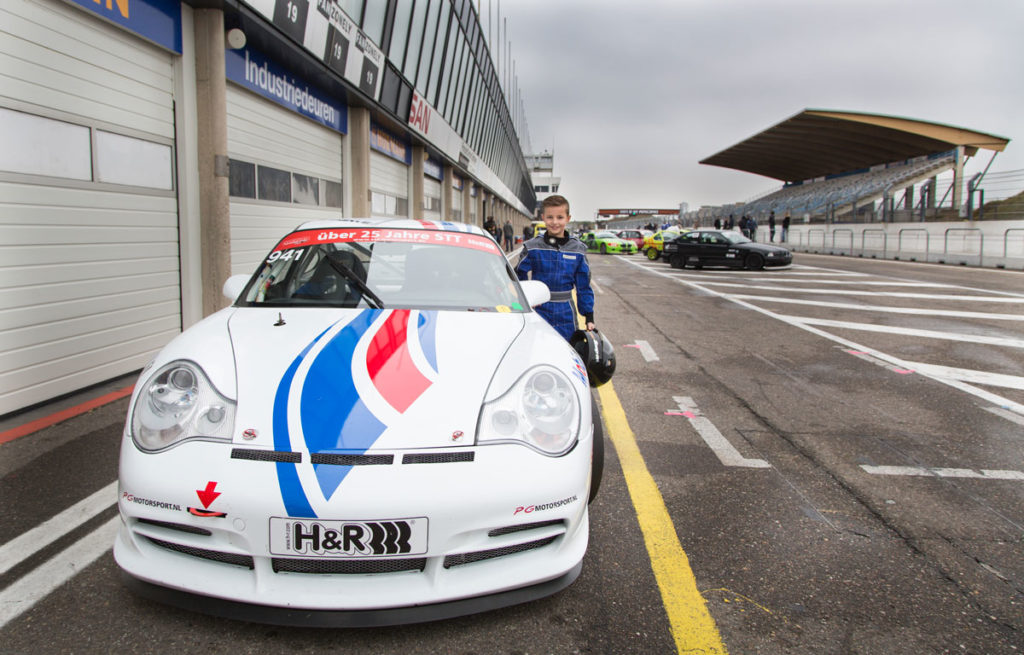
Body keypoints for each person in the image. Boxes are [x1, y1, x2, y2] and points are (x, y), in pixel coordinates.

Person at [516, 194, 595, 341]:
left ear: (568, 218)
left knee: (568, 351)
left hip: (566, 312)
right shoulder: (532, 247)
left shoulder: (577, 249)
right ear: (543, 217)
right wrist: (525, 302)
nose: (554, 222)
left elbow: (583, 286)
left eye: (559, 217)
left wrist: (589, 316)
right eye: (550, 217)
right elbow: (517, 276)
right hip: (538, 310)